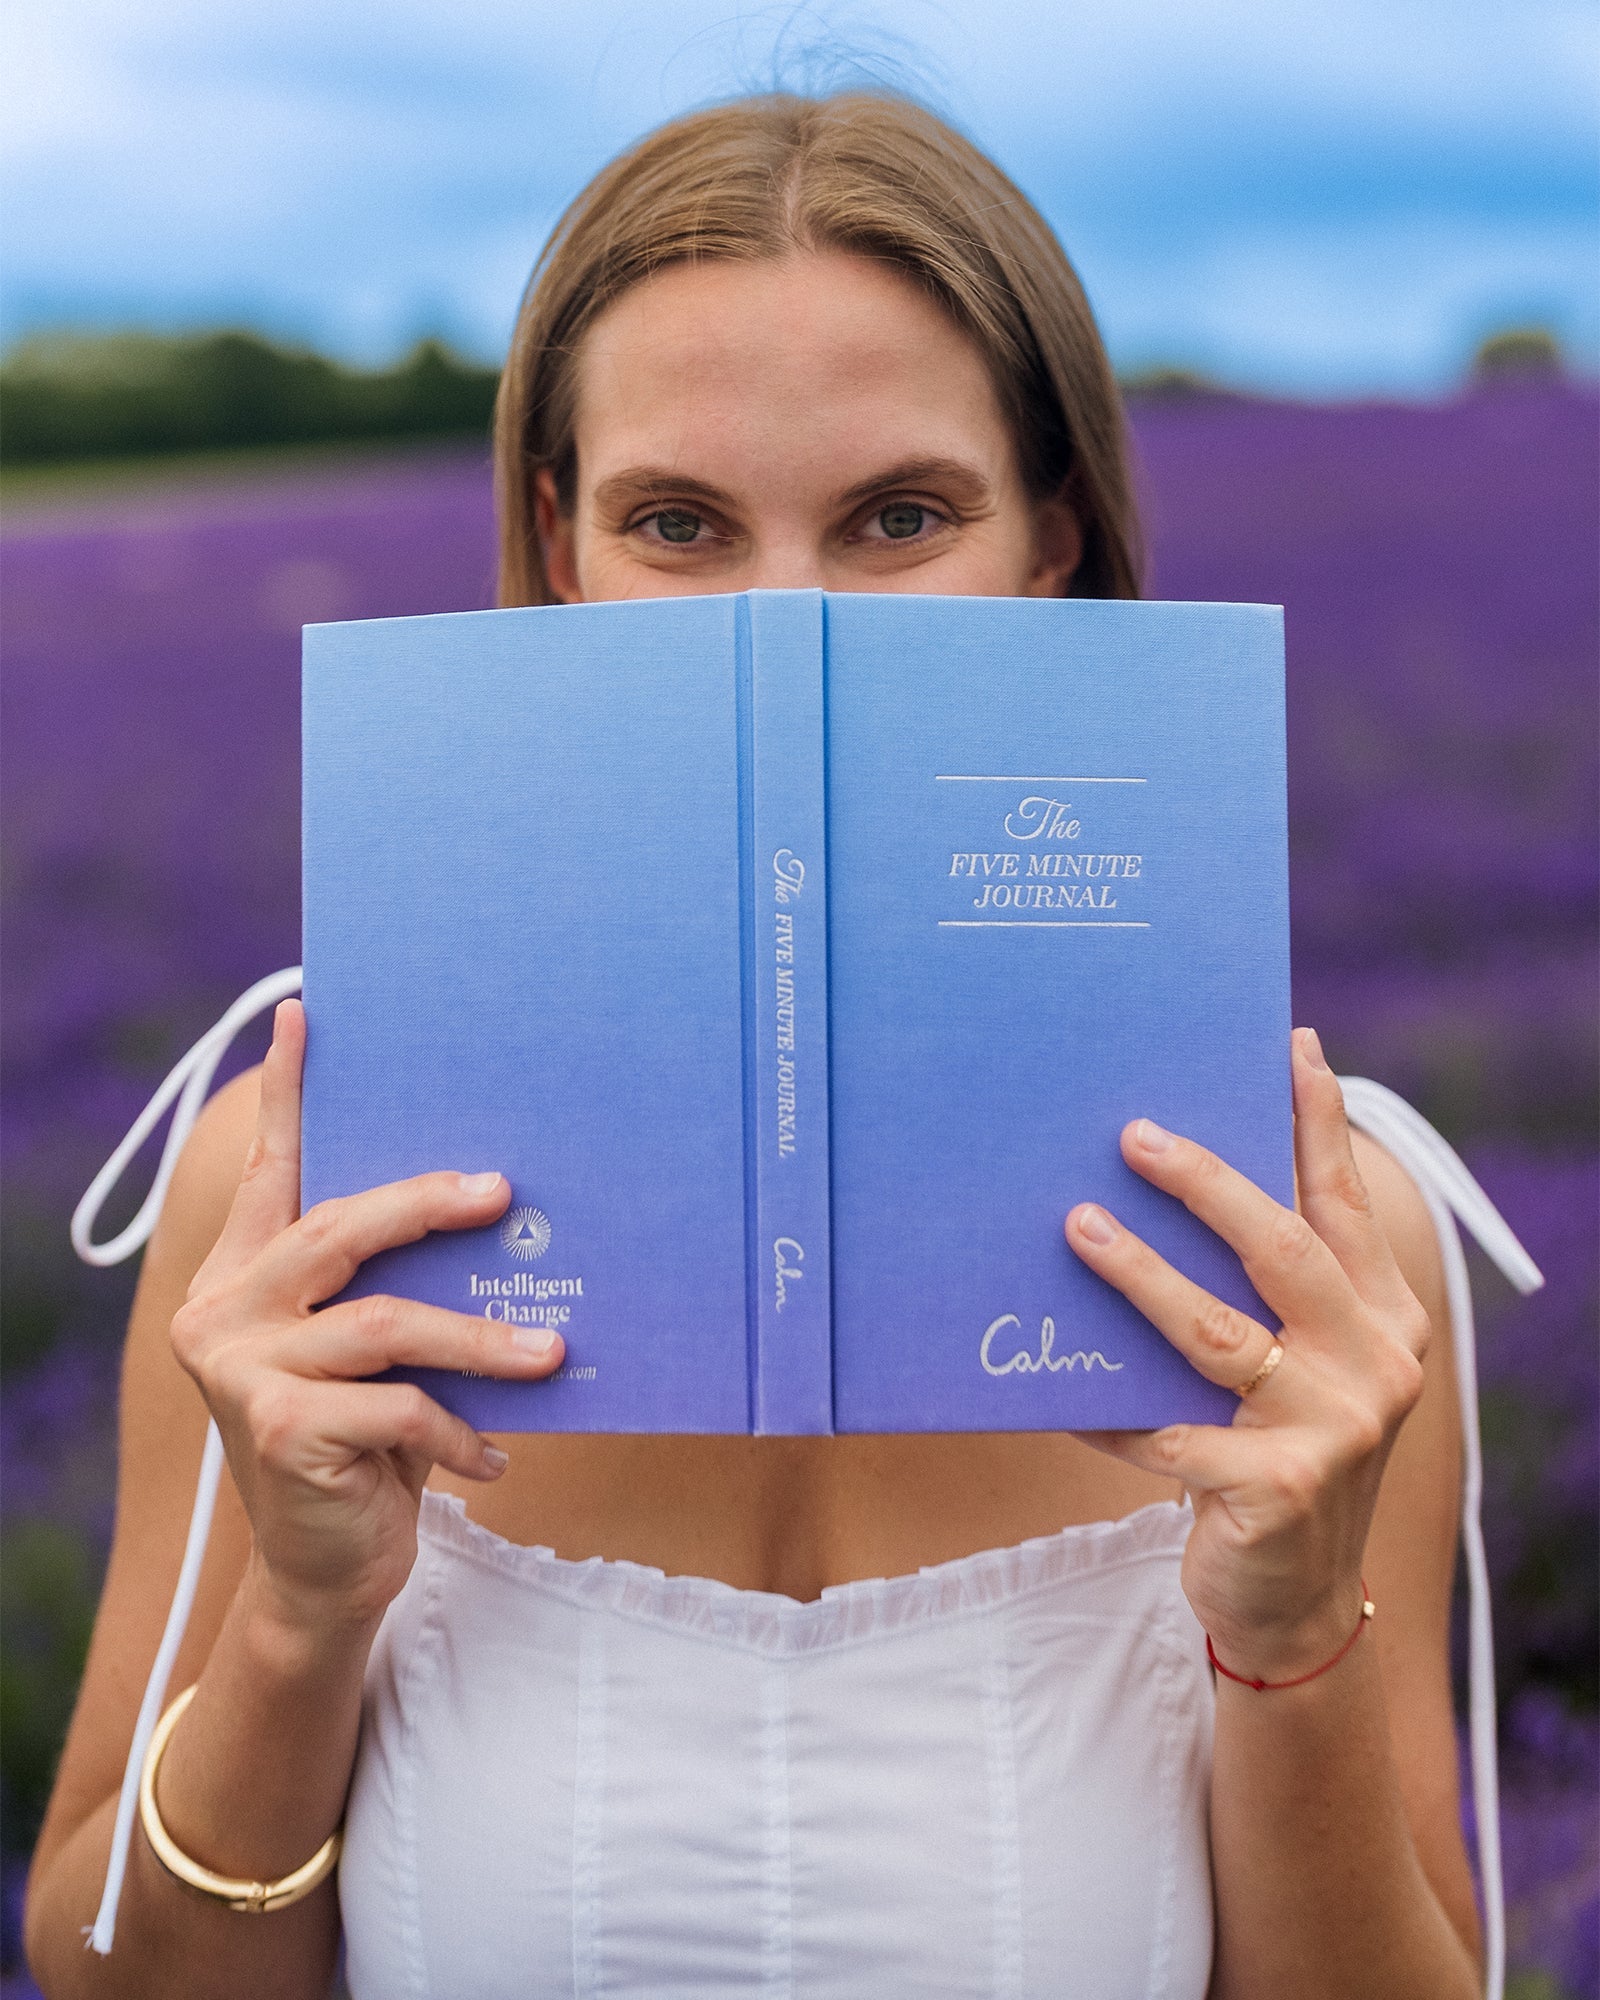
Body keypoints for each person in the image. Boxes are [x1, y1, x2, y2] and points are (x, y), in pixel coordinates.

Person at [25, 92, 1485, 1998]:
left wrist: (1289, 1637)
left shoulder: (1319, 1244)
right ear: (558, 544)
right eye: (678, 524)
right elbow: (110, 1967)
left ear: (1052, 537)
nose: (786, 621)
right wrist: (299, 1620)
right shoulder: (297, 1184)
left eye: (901, 517)